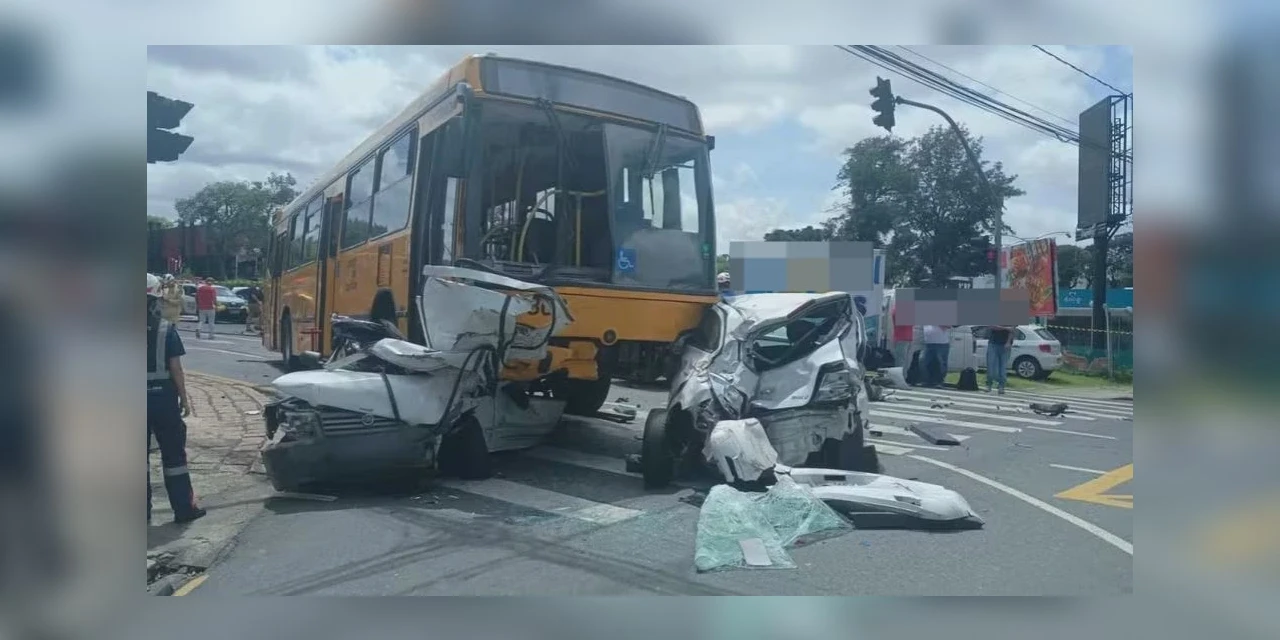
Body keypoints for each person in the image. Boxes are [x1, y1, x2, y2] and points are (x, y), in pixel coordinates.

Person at [147, 274, 206, 525]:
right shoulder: (165, 329)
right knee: (174, 457)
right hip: (163, 399)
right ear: (155, 300)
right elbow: (176, 368)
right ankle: (183, 509)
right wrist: (184, 397)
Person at [985, 324, 1014, 394]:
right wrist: (1006, 328)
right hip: (993, 344)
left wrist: (1008, 342)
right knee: (991, 366)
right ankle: (989, 384)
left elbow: (1012, 330)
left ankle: (1001, 386)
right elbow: (992, 327)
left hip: (1005, 345)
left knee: (1003, 368)